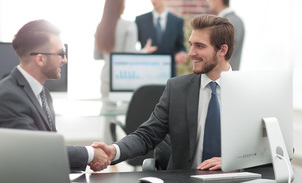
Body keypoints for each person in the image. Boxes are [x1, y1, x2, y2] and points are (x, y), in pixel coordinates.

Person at [92, 14, 234, 170]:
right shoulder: (177, 89)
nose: (191, 53)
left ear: (222, 50)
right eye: (191, 45)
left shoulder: (248, 90)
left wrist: (230, 160)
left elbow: (262, 144)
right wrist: (114, 150)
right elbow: (147, 134)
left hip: (235, 181)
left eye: (199, 46)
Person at [0, 20, 109, 172]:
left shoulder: (44, 94)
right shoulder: (8, 97)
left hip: (41, 177)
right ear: (40, 59)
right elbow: (36, 151)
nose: (65, 60)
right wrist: (90, 154)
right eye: (61, 53)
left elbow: (51, 147)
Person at [94, 0, 157, 98]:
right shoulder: (129, 26)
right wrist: (145, 51)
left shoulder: (101, 26)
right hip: (123, 78)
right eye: (124, 2)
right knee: (125, 112)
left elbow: (97, 56)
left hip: (106, 78)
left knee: (107, 113)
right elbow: (130, 56)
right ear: (120, 5)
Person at [135, 0, 188, 76]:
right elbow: (132, 48)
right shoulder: (140, 20)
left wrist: (181, 53)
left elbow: (180, 46)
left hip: (169, 73)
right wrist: (142, 51)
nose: (152, 0)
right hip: (146, 72)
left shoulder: (177, 21)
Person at [206, 0, 245, 71]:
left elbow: (222, 53)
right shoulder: (236, 20)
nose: (208, 1)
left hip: (224, 76)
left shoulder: (227, 22)